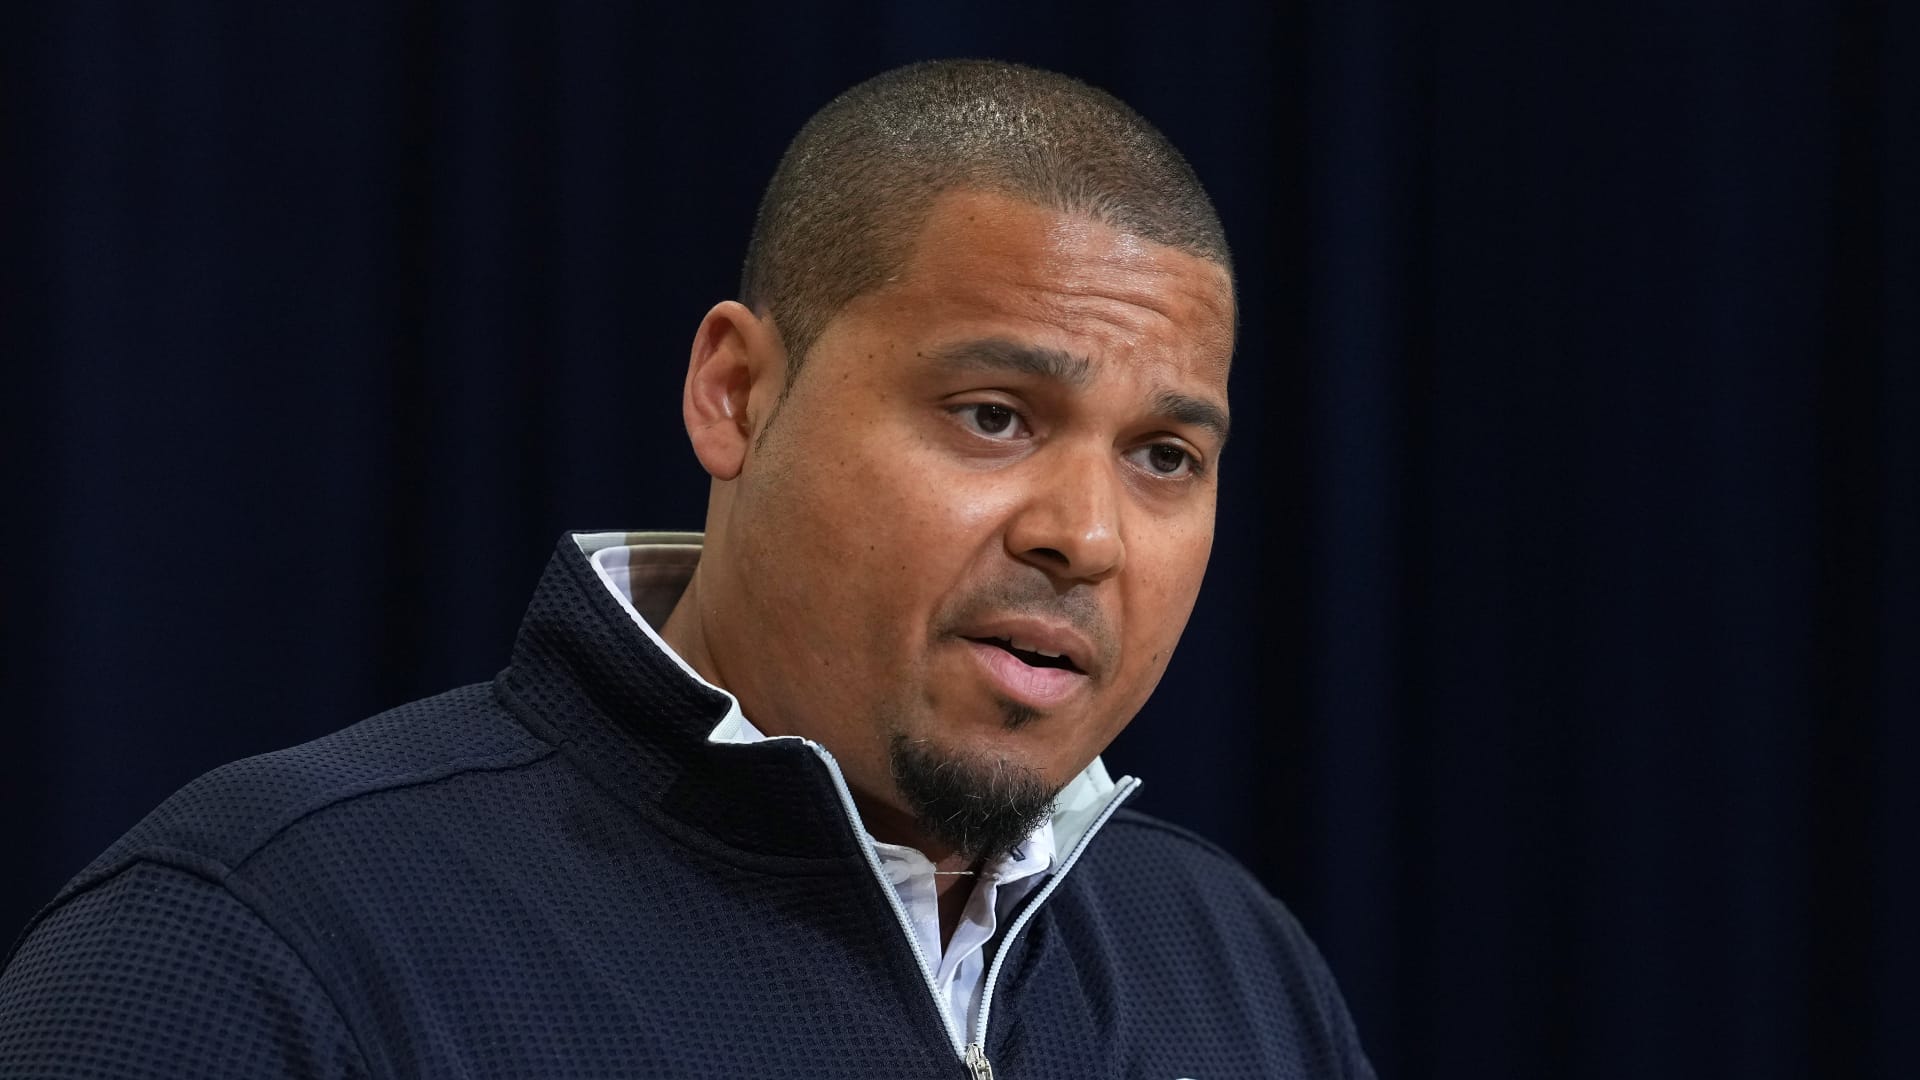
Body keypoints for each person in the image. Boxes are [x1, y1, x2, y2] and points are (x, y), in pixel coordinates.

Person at [0, 59, 1373, 1078]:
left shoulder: (1236, 973)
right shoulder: (252, 947)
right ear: (735, 394)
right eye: (994, 416)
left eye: (1164, 458)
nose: (1086, 535)